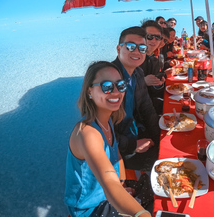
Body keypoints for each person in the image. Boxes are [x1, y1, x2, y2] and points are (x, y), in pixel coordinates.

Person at [64, 61, 152, 217]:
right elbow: (109, 182)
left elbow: (117, 157)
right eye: (107, 86)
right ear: (89, 92)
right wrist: (141, 214)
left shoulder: (107, 121)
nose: (116, 92)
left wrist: (123, 184)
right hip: (91, 208)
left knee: (154, 187)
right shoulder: (87, 133)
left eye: (120, 85)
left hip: (109, 194)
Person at [112, 26, 160, 170]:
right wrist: (133, 146)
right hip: (116, 150)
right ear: (119, 49)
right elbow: (101, 131)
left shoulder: (137, 73)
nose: (137, 52)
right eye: (131, 46)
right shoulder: (109, 80)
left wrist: (159, 138)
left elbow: (147, 109)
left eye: (142, 48)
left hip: (135, 132)